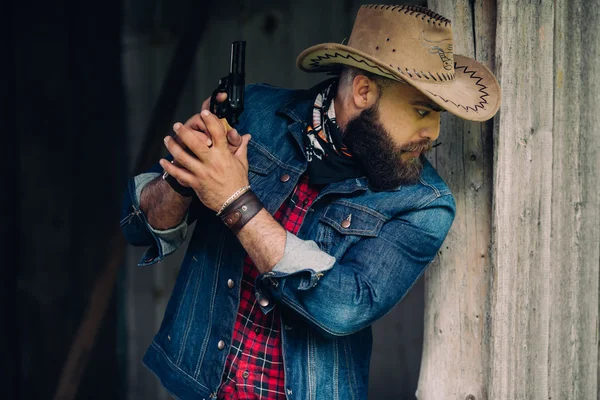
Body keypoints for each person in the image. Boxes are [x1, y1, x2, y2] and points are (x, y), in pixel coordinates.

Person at [120, 4, 500, 400]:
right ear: (363, 91)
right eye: (422, 111)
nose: (433, 132)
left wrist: (234, 199)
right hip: (199, 387)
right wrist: (190, 174)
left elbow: (343, 308)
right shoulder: (256, 112)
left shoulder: (426, 203)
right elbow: (137, 226)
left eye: (437, 114)